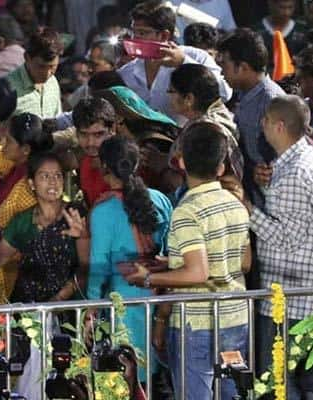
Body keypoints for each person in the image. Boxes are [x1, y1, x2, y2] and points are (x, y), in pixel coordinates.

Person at [125, 121, 250, 400]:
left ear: (180, 162)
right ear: (221, 167)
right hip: (235, 320)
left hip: (197, 325)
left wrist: (148, 277)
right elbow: (244, 263)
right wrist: (175, 262)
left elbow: (196, 273)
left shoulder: (188, 212)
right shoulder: (236, 204)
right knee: (232, 393)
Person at [241, 95, 313, 399]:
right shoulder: (305, 160)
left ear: (280, 126)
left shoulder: (296, 171)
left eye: (267, 121)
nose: (262, 126)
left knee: (280, 384)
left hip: (291, 301)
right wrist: (264, 187)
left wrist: (247, 209)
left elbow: (287, 237)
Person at [87, 135, 173, 382]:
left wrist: (91, 313)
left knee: (124, 378)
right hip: (159, 303)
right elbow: (168, 253)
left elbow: (98, 269)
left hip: (122, 308)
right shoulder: (161, 200)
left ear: (104, 168)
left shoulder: (103, 212)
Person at [0, 151, 89, 304]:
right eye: (45, 176)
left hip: (70, 308)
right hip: (30, 310)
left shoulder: (76, 214)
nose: (53, 182)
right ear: (32, 183)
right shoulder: (23, 221)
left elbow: (86, 267)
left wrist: (61, 296)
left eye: (57, 176)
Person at [0, 113, 55, 305]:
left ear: (25, 149)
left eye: (9, 140)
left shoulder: (32, 184)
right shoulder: (14, 169)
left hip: (17, 275)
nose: (2, 143)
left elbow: (37, 232)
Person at [118, 2, 232, 124]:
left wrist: (184, 63)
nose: (135, 39)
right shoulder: (126, 72)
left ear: (164, 35)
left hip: (187, 139)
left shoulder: (196, 57)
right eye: (134, 33)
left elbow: (224, 93)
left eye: (142, 33)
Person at [217, 28, 285, 208]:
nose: (222, 73)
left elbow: (285, 160)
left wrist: (264, 173)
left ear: (243, 67)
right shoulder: (240, 94)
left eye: (225, 65)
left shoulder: (272, 101)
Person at [167, 63, 245, 199]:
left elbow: (196, 179)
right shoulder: (218, 115)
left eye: (171, 91)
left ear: (189, 99)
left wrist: (163, 169)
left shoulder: (204, 131)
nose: (168, 95)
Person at [6, 28, 64, 119]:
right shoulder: (7, 89)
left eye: (53, 67)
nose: (47, 74)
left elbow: (58, 119)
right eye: (41, 67)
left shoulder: (53, 83)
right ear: (27, 58)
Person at [71, 97, 116, 207]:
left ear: (112, 130)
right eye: (84, 134)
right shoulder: (85, 162)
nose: (90, 143)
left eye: (98, 135)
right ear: (76, 133)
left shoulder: (127, 164)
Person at [254, 0, 307, 66]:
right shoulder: (256, 31)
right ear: (271, 4)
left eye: (290, 7)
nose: (286, 13)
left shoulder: (302, 31)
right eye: (282, 7)